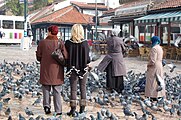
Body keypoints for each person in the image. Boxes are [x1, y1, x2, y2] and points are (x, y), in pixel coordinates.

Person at [36, 25, 68, 117]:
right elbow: (65, 56)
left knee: (46, 89)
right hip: (57, 71)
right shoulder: (60, 42)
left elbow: (38, 57)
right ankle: (58, 110)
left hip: (45, 69)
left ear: (49, 32)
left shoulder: (42, 43)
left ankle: (47, 107)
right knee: (57, 90)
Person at [65, 24, 90, 117]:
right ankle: (82, 109)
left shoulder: (68, 43)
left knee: (73, 90)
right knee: (83, 88)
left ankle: (72, 109)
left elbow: (65, 56)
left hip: (72, 69)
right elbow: (87, 58)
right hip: (83, 69)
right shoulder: (85, 43)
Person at [97, 28, 127, 93]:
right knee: (118, 73)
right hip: (118, 58)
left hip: (109, 57)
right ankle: (118, 87)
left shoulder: (108, 39)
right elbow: (124, 48)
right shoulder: (120, 40)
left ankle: (110, 86)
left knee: (110, 73)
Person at [145, 36, 166, 101]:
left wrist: (148, 65)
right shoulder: (160, 48)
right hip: (160, 65)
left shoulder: (154, 48)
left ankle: (152, 95)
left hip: (154, 66)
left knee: (152, 80)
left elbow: (152, 60)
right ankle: (159, 94)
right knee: (159, 80)